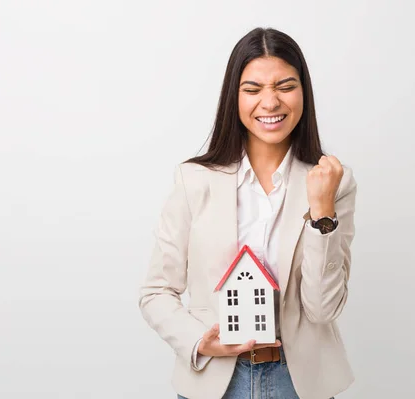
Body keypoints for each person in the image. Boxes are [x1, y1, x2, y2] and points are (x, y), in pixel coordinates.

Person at [138, 27, 357, 399]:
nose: (270, 103)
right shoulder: (195, 180)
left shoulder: (333, 181)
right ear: (233, 98)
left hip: (298, 381)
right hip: (214, 380)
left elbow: (322, 310)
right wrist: (200, 342)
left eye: (285, 86)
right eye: (253, 90)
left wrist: (322, 212)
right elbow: (156, 291)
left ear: (304, 92)